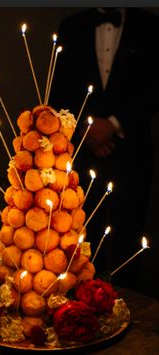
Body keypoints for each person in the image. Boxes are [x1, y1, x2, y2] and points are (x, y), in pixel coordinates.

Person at [50, 8, 159, 293]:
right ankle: (83, 319)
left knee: (129, 241)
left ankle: (130, 318)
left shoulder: (150, 25)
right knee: (82, 244)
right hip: (82, 156)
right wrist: (86, 131)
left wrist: (113, 124)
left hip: (133, 154)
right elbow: (58, 90)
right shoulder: (70, 26)